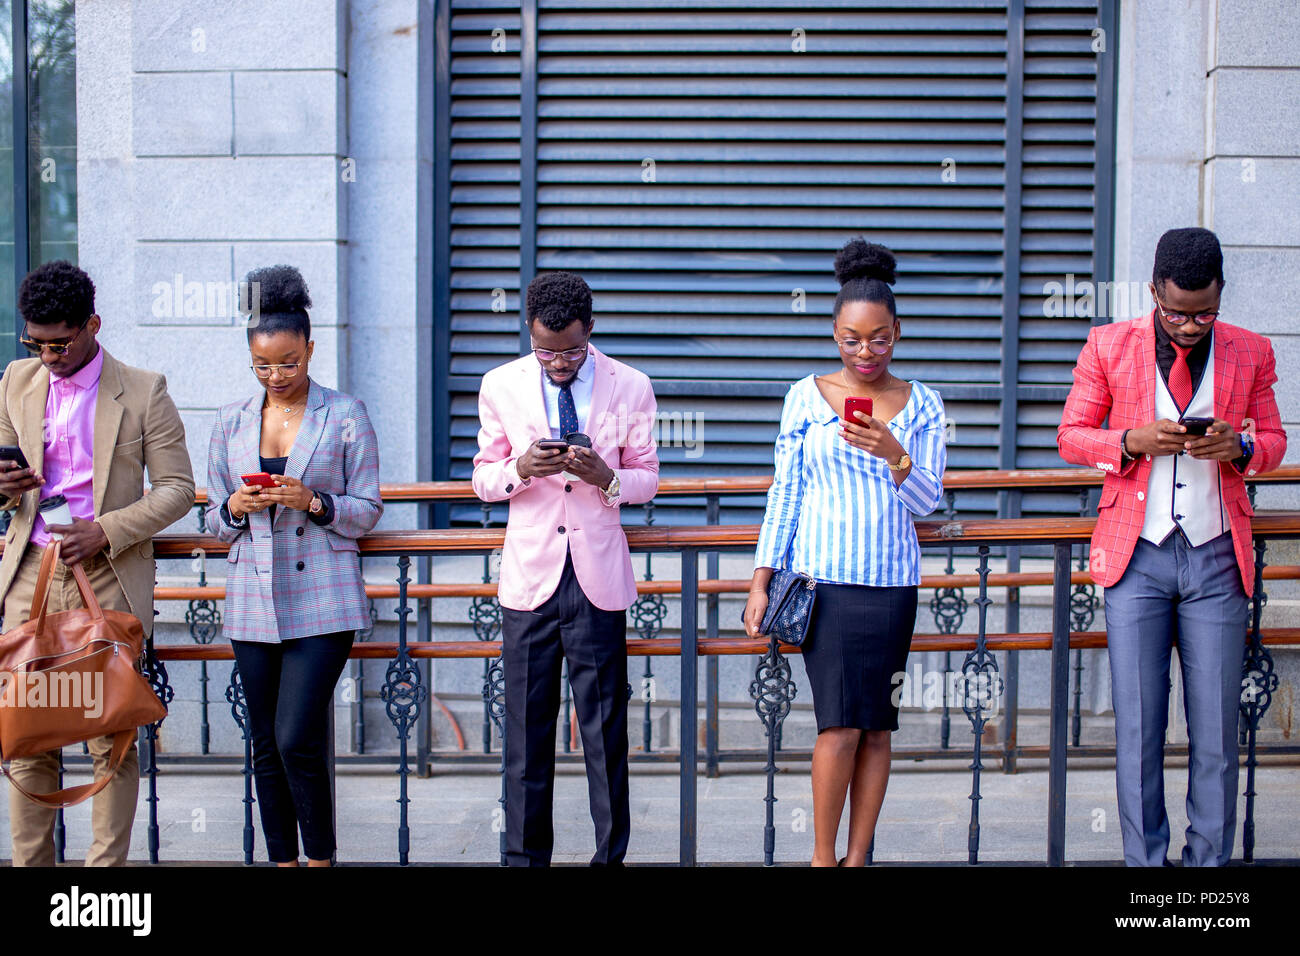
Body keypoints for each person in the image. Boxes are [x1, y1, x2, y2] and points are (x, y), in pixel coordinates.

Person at [1058, 227, 1286, 867]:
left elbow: (1272, 441)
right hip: (1137, 557)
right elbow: (1072, 435)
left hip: (1217, 554)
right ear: (1155, 290)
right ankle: (1147, 871)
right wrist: (1128, 441)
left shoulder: (1252, 351)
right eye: (1177, 312)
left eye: (1204, 312)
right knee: (1138, 728)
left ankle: (1204, 877)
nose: (1190, 326)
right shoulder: (1108, 344)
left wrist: (1239, 448)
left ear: (1221, 295)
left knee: (1214, 729)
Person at [744, 239, 947, 867]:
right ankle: (822, 858)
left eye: (879, 339)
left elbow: (929, 499)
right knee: (838, 725)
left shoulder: (924, 403)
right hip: (824, 585)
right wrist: (761, 579)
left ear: (897, 334)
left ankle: (859, 858)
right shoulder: (804, 398)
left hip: (891, 587)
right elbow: (786, 494)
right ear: (835, 334)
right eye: (852, 339)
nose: (866, 352)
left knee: (878, 726)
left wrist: (893, 452)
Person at [0, 260, 195, 866]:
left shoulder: (143, 389)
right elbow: (8, 488)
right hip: (29, 573)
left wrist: (104, 531)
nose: (48, 355)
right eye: (36, 342)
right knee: (28, 735)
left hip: (106, 575)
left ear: (93, 325)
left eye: (60, 343)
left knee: (110, 735)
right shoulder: (16, 380)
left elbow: (176, 488)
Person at [472, 271, 659, 866]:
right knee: (526, 739)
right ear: (529, 333)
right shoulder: (500, 384)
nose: (557, 362)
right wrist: (521, 469)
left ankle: (609, 860)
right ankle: (525, 861)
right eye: (544, 350)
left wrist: (606, 478)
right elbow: (481, 478)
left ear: (591, 332)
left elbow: (648, 479)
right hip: (529, 581)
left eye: (570, 351)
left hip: (597, 582)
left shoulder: (630, 386)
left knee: (606, 737)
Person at [205, 265, 382, 867]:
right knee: (261, 743)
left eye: (287, 363)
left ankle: (321, 859)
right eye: (262, 365)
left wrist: (313, 500)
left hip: (325, 597)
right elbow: (210, 517)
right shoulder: (230, 420)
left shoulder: (346, 413)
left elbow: (367, 510)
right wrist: (233, 506)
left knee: (296, 737)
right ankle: (282, 859)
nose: (276, 376)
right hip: (252, 598)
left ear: (311, 349)